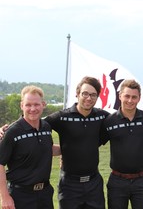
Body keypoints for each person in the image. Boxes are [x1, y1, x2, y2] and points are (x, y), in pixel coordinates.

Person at [44, 76, 110, 209]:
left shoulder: (103, 116)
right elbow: (34, 123)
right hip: (69, 185)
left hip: (94, 184)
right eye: (85, 93)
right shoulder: (62, 117)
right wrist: (5, 129)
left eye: (93, 95)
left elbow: (123, 119)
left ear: (97, 97)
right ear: (77, 93)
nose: (88, 98)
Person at [0, 85, 61, 209]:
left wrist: (69, 149)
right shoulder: (12, 132)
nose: (32, 109)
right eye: (28, 105)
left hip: (45, 194)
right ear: (22, 105)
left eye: (36, 104)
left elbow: (47, 149)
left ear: (43, 104)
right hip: (20, 195)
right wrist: (5, 197)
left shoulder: (46, 127)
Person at [102, 79, 143, 209]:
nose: (130, 100)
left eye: (134, 97)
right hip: (117, 181)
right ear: (120, 96)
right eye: (127, 96)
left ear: (139, 98)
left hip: (141, 181)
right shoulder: (109, 121)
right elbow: (91, 144)